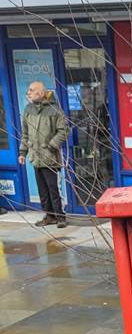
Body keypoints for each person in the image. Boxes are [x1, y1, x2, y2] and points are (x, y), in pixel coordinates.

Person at [18, 81, 68, 228]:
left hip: (50, 157)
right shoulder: (28, 109)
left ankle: (60, 217)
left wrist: (51, 146)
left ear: (40, 93)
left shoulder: (55, 109)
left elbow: (64, 130)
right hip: (36, 157)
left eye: (31, 90)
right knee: (42, 190)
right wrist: (22, 152)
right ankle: (49, 216)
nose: (28, 93)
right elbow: (25, 134)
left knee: (53, 188)